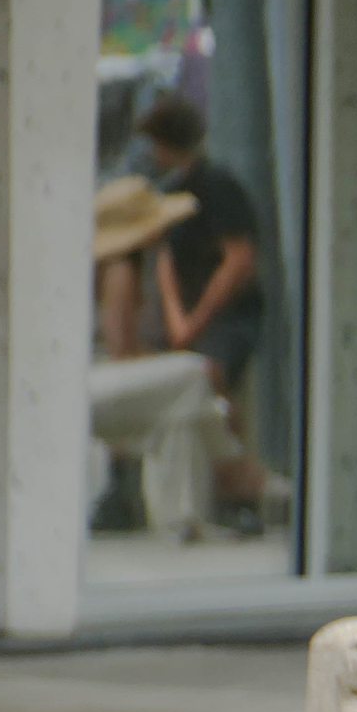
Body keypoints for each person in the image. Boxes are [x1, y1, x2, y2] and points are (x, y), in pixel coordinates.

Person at [136, 93, 270, 531]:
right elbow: (167, 262)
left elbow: (238, 259)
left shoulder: (218, 186)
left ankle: (240, 488)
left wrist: (194, 319)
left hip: (225, 316)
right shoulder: (172, 193)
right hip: (191, 316)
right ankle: (206, 492)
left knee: (214, 388)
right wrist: (177, 318)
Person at [86, 177, 242, 542]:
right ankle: (237, 470)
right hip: (94, 384)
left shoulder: (129, 266)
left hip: (98, 382)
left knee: (182, 409)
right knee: (194, 375)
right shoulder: (122, 268)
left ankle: (182, 522)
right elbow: (120, 348)